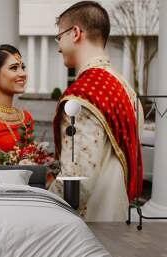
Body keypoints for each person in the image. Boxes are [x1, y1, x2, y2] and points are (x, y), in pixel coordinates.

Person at [49, 1, 144, 221]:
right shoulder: (124, 87)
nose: (58, 46)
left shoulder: (83, 94)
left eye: (59, 37)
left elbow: (75, 182)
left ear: (75, 33)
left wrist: (40, 209)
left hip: (87, 225)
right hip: (116, 217)